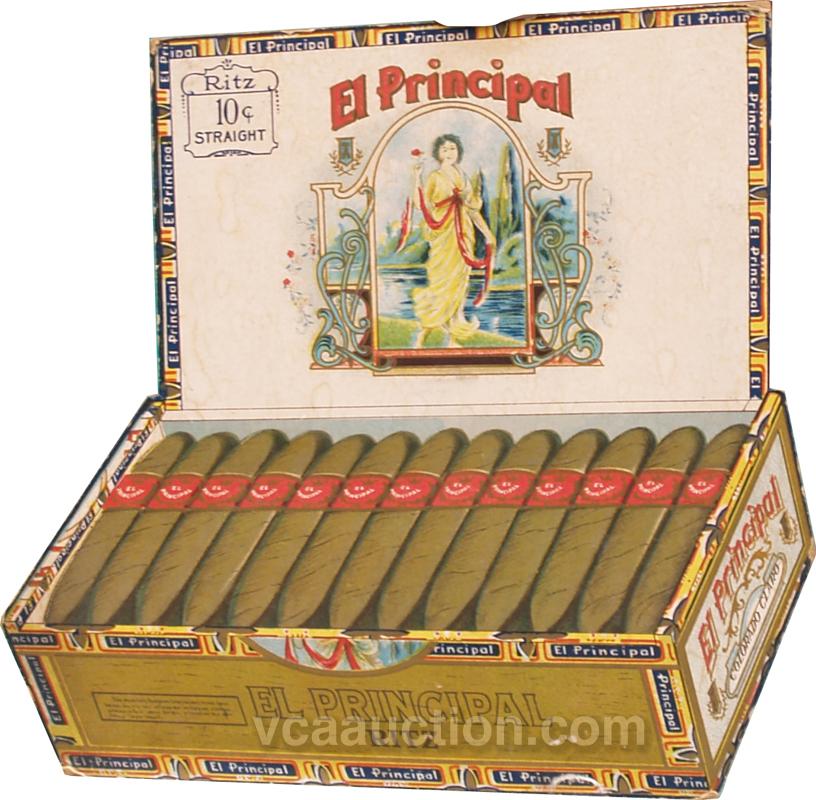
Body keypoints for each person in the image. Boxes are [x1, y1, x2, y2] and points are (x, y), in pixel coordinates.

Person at [411, 134, 495, 347]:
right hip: (443, 237)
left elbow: (472, 210)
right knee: (441, 286)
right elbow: (421, 204)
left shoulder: (463, 177)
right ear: (438, 154)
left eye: (453, 148)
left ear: (459, 152)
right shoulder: (435, 177)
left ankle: (453, 338)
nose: (449, 152)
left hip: (464, 236)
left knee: (459, 286)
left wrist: (487, 233)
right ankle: (423, 334)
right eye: (445, 149)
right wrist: (416, 177)